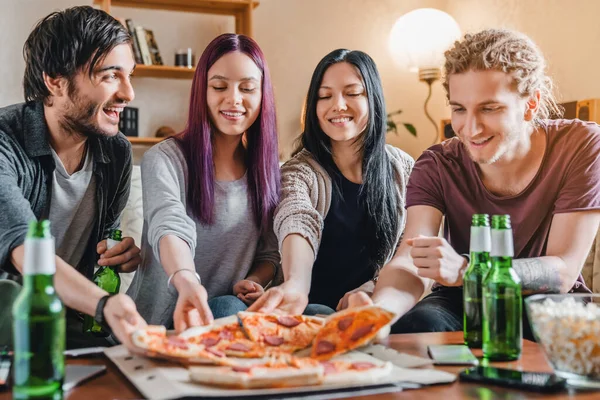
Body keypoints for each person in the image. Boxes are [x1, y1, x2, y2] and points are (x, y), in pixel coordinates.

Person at [348, 29, 600, 339]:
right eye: (459, 109)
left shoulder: (580, 144)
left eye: (489, 108)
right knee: (417, 327)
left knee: (553, 333)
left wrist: (469, 271)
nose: (471, 128)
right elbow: (412, 258)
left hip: (546, 300)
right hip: (463, 297)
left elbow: (563, 271)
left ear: (531, 103)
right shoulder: (438, 164)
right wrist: (379, 312)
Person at [0, 6, 146, 349]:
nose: (128, 93)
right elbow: (25, 249)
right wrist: (104, 305)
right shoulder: (6, 143)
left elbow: (102, 249)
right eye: (111, 75)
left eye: (130, 75)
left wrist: (116, 255)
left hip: (70, 317)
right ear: (55, 80)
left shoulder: (116, 153)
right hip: (9, 318)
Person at [127, 33, 281, 331]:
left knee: (233, 306)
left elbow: (268, 253)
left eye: (247, 88)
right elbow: (169, 224)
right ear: (202, 91)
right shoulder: (165, 159)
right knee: (227, 307)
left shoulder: (268, 171)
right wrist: (187, 280)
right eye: (219, 86)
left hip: (224, 320)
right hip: (160, 327)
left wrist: (255, 280)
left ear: (263, 95)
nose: (234, 99)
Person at [249, 49, 414, 316]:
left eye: (352, 93)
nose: (338, 105)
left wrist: (373, 288)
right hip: (307, 310)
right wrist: (296, 284)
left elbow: (411, 249)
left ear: (373, 97)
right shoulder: (298, 172)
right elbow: (297, 220)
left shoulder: (402, 168)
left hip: (376, 306)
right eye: (325, 96)